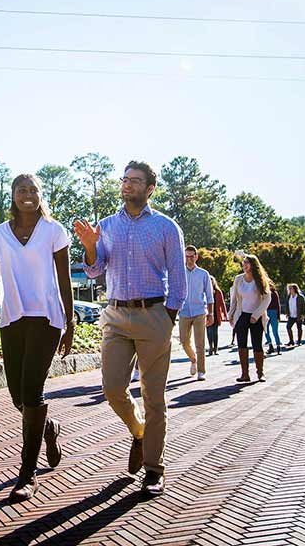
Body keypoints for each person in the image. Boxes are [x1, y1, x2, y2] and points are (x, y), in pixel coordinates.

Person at [74, 160, 186, 497]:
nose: (127, 185)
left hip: (154, 315)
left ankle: (154, 469)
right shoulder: (106, 225)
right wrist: (92, 245)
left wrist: (168, 317)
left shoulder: (167, 227)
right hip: (116, 316)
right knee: (112, 389)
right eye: (125, 179)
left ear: (150, 188)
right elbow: (94, 271)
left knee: (155, 398)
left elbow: (178, 278)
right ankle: (138, 432)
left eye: (135, 181)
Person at [0, 173, 75, 503]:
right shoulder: (0, 234)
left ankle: (27, 473)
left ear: (40, 195)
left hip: (46, 318)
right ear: (13, 196)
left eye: (33, 190)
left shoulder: (53, 231)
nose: (27, 195)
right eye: (21, 190)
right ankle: (47, 428)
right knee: (18, 396)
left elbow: (64, 278)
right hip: (13, 318)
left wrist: (70, 321)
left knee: (32, 390)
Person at [228, 253, 272, 382]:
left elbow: (267, 299)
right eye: (244, 262)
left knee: (257, 344)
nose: (244, 265)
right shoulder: (238, 279)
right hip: (242, 315)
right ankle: (244, 374)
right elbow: (234, 298)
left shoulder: (260, 280)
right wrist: (231, 314)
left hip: (256, 317)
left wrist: (256, 315)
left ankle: (260, 372)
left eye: (247, 262)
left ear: (253, 265)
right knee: (241, 343)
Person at [179, 245, 214, 380]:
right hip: (184, 312)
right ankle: (193, 359)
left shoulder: (203, 274)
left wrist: (210, 314)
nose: (189, 259)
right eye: (187, 256)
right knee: (183, 341)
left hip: (199, 311)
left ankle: (201, 370)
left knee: (200, 343)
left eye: (191, 256)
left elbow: (209, 295)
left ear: (196, 257)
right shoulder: (180, 273)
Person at [206, 276, 226, 356]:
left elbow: (222, 303)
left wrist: (225, 313)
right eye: (209, 281)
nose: (210, 283)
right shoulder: (205, 291)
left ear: (214, 282)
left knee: (215, 332)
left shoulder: (218, 291)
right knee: (209, 332)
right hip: (207, 314)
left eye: (212, 281)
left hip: (216, 315)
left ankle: (215, 348)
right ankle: (210, 347)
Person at [264, 284, 282, 355]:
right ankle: (275, 346)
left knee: (268, 330)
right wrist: (278, 316)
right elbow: (278, 305)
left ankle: (273, 345)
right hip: (271, 312)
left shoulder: (270, 293)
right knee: (271, 330)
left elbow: (278, 305)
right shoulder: (273, 293)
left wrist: (278, 316)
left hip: (270, 312)